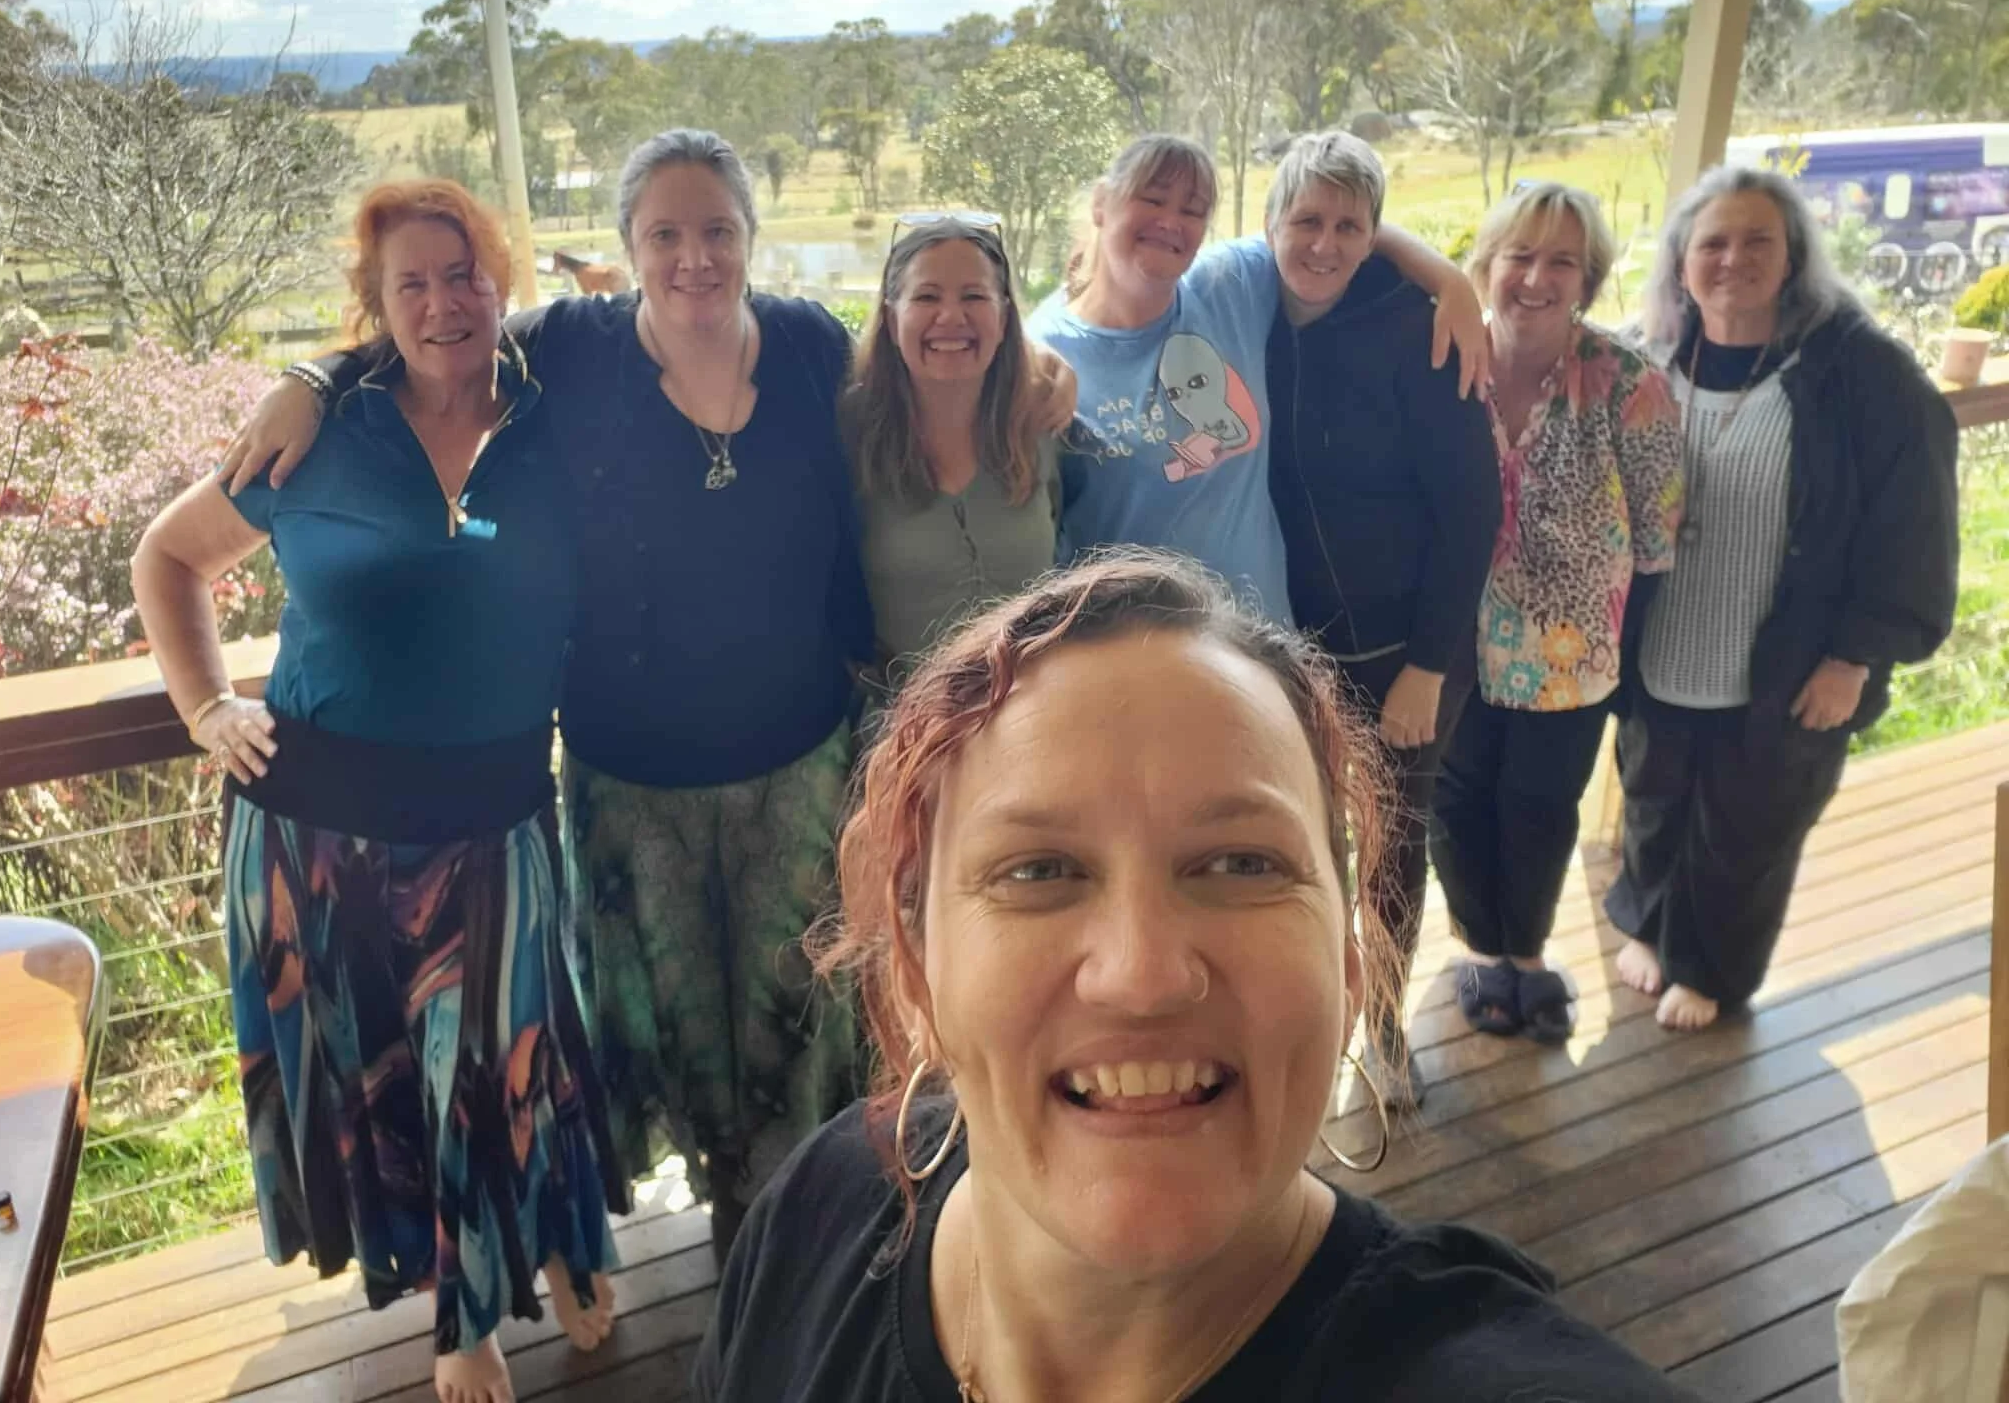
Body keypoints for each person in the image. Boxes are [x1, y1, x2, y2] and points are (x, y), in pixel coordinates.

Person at [215, 130, 1076, 1265]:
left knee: (798, 1021)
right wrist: (312, 377)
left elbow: (938, 357)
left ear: (749, 240)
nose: (694, 256)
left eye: (716, 229)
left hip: (798, 764)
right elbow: (436, 343)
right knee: (660, 1029)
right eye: (664, 233)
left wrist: (1041, 364)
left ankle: (790, 1236)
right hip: (629, 779)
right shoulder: (568, 349)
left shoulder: (816, 348)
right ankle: (722, 1231)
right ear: (626, 248)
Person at [692, 552, 1695, 1403]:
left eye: (1240, 865)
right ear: (915, 969)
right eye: (1038, 872)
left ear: (1348, 963)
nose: (1141, 977)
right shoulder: (820, 1211)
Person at [131, 180, 625, 1403]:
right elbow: (169, 556)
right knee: (396, 1083)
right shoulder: (320, 432)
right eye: (411, 283)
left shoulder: (557, 421)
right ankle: (460, 1322)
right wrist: (207, 708)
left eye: (462, 275)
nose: (443, 302)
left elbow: (642, 324)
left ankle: (559, 1239)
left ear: (498, 282)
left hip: (497, 819)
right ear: (377, 305)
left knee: (514, 1063)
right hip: (316, 823)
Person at [1610, 165, 1958, 1032]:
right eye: (1712, 243)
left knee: (1749, 829)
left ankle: (1713, 967)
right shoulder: (1646, 357)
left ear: (1794, 254)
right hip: (1662, 647)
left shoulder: (1858, 374)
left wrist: (1856, 654)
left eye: (1757, 240)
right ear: (1681, 262)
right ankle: (1650, 926)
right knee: (1655, 798)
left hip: (1791, 660)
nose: (1733, 259)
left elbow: (1912, 522)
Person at [1255, 131, 1502, 1105]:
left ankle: (1385, 1027)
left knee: (1391, 857)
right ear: (1271, 222)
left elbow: (1472, 509)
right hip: (1289, 650)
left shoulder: (1418, 327)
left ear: (1372, 235)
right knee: (1299, 848)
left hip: (1406, 653)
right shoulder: (1248, 315)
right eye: (1305, 220)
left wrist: (1430, 667)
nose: (1322, 243)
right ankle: (1301, 1018)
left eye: (1348, 227)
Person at [1029, 134, 1488, 628]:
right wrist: (1023, 344)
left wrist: (1451, 281)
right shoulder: (1045, 354)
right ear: (1101, 204)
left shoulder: (1227, 286)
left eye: (1192, 209)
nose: (1170, 221)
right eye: (1152, 198)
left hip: (1261, 648)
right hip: (1135, 658)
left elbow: (1334, 222)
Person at [1429, 183, 1684, 1044]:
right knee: (1458, 797)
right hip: (1446, 639)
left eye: (1562, 262)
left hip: (1571, 656)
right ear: (1486, 267)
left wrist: (1626, 661)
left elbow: (1655, 536)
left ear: (1589, 279)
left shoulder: (1627, 382)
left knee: (1540, 803)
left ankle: (1526, 954)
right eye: (1520, 256)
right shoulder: (1442, 361)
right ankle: (1477, 948)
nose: (1536, 278)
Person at [844, 216, 1058, 683]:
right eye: (926, 296)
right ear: (890, 315)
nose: (951, 317)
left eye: (974, 296)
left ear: (1003, 318)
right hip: (905, 726)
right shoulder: (847, 437)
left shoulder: (1043, 422)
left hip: (1032, 714)